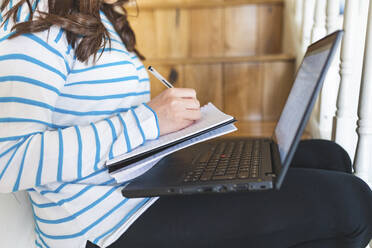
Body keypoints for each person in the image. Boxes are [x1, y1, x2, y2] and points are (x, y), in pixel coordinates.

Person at [0, 1, 371, 248]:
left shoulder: (103, 15)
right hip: (101, 224)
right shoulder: (36, 17)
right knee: (351, 203)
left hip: (141, 185)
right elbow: (7, 161)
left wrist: (170, 132)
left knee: (330, 155)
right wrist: (147, 121)